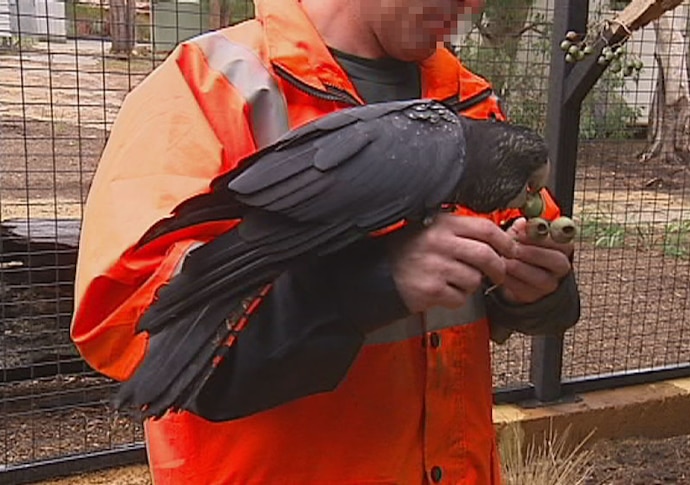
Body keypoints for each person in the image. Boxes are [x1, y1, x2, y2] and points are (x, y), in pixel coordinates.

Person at [71, 0, 580, 483]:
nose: (473, 5)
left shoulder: (470, 101)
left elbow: (536, 266)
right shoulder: (211, 83)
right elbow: (139, 323)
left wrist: (532, 287)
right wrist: (372, 285)